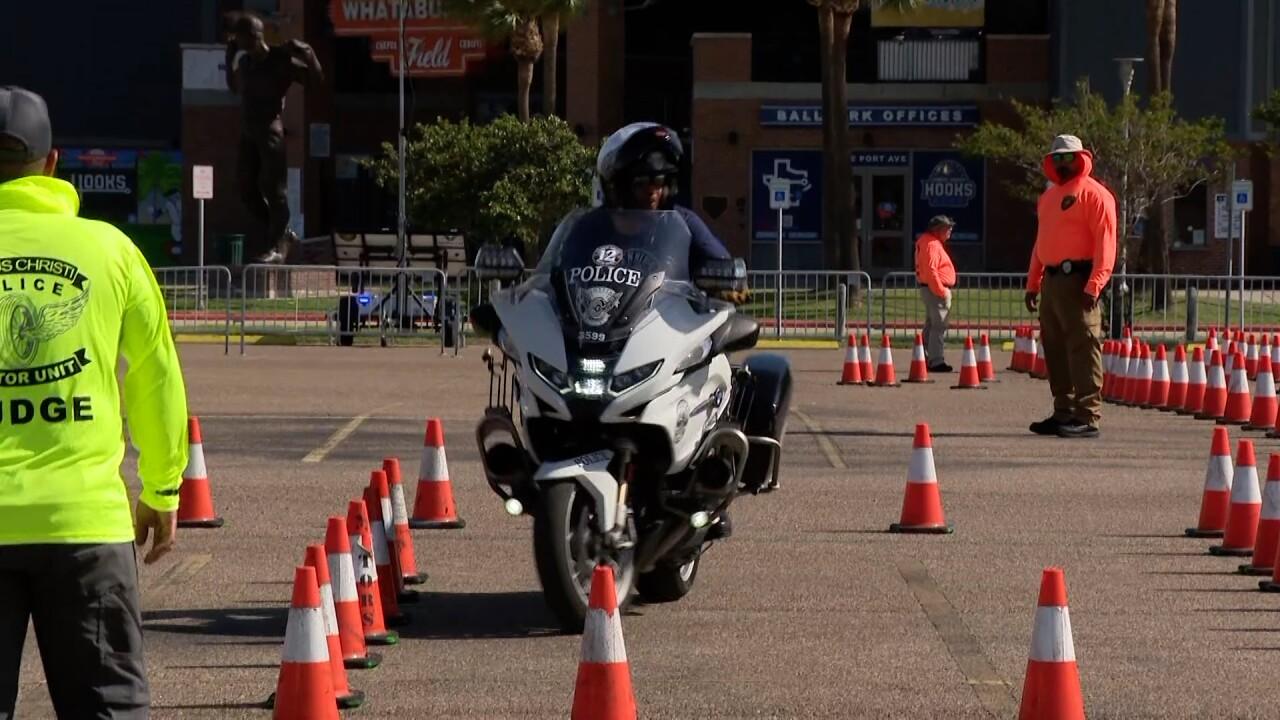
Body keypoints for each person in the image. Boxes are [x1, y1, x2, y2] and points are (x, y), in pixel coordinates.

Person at [0, 86, 189, 718]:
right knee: (107, 708)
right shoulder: (110, 251)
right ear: (53, 163)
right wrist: (162, 489)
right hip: (87, 528)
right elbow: (156, 375)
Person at [594, 122, 740, 539]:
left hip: (670, 329)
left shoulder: (683, 222)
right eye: (643, 182)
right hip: (611, 335)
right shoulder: (596, 227)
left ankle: (713, 488)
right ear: (619, 184)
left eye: (661, 182)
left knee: (716, 375)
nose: (653, 191)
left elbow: (721, 262)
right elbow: (563, 272)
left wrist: (724, 279)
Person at [1024, 134, 1117, 439]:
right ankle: (1063, 410)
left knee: (1083, 345)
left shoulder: (1096, 195)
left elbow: (1106, 243)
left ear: (1081, 158)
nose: (1064, 163)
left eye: (1069, 157)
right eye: (1058, 158)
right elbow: (1041, 243)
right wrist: (1033, 283)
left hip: (1079, 279)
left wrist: (1095, 283)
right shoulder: (1048, 197)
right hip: (1051, 280)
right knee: (1055, 349)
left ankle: (1088, 415)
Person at [224, 13, 323, 264]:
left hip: (270, 132)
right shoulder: (245, 62)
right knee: (246, 190)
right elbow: (234, 88)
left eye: (239, 36)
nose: (235, 40)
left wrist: (309, 54)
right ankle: (281, 232)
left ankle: (277, 246)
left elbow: (315, 82)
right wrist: (229, 57)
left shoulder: (280, 60)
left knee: (274, 190)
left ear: (254, 37)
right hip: (249, 133)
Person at [914, 215, 957, 372]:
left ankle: (924, 356)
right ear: (937, 230)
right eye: (947, 228)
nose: (950, 231)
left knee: (932, 325)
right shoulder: (932, 244)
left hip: (930, 288)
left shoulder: (927, 242)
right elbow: (932, 271)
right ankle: (936, 360)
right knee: (939, 325)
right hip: (935, 289)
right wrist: (941, 291)